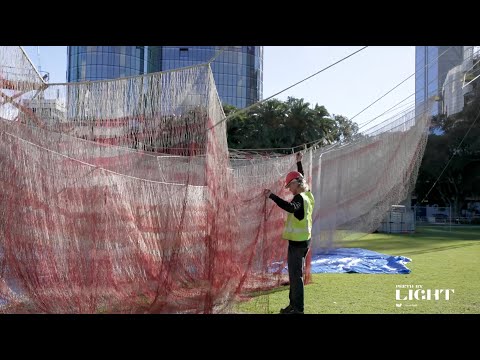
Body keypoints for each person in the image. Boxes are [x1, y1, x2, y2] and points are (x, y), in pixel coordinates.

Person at [263, 151, 315, 314]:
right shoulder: (307, 194)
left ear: (295, 183)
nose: (289, 189)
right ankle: (293, 306)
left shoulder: (299, 198)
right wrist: (299, 162)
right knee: (293, 276)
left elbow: (290, 207)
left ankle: (298, 309)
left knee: (295, 277)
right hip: (302, 242)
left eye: (290, 186)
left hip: (298, 244)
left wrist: (272, 196)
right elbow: (302, 178)